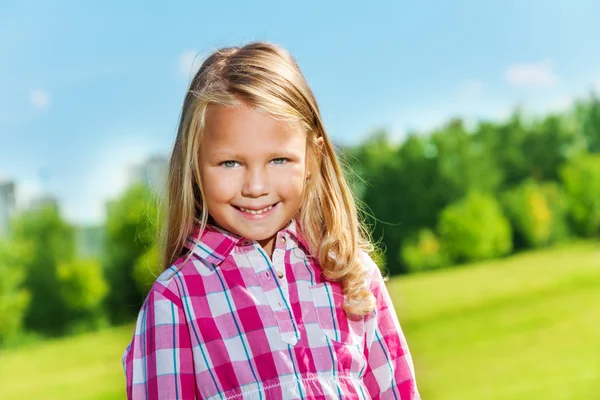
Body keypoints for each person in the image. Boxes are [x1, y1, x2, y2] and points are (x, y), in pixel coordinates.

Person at [123, 41, 420, 399]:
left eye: (279, 160)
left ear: (313, 158)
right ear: (194, 169)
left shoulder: (353, 275)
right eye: (230, 163)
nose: (256, 187)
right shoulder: (175, 301)